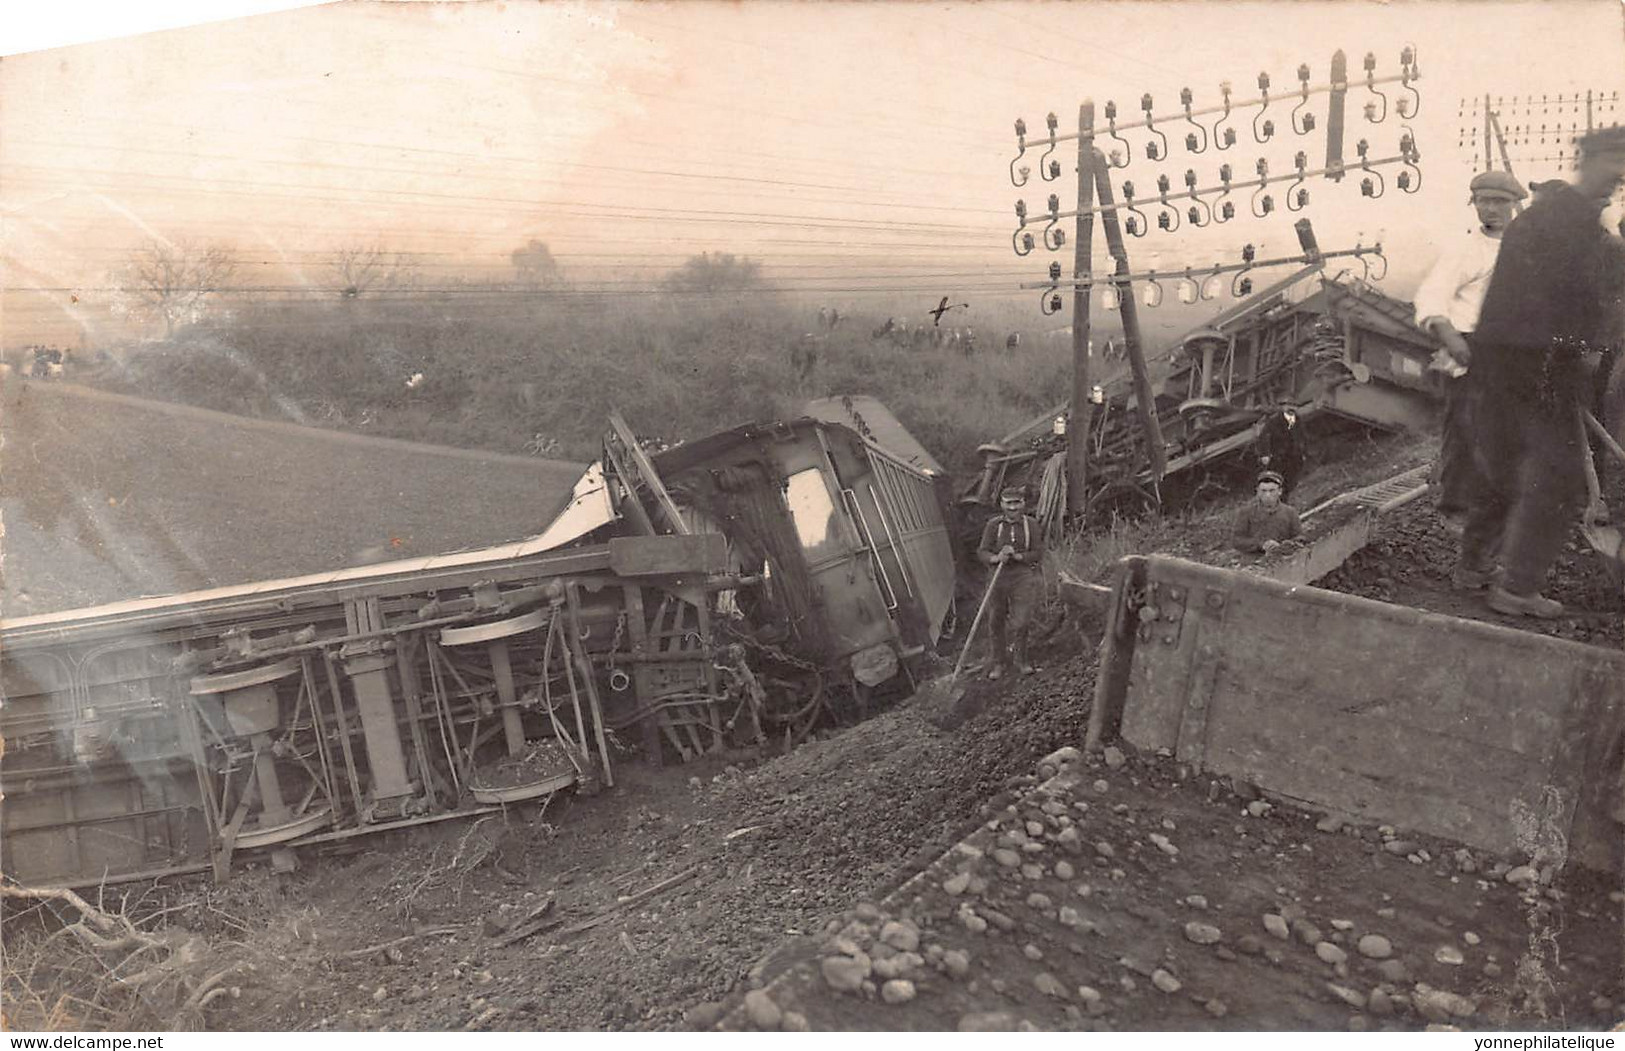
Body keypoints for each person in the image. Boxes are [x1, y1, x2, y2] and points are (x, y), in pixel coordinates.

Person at [1456, 125, 1625, 618]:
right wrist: (1579, 351)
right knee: (1560, 477)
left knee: (1509, 474)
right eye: (1612, 163)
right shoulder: (1558, 222)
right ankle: (1515, 588)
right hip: (1525, 368)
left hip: (1524, 367)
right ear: (1588, 161)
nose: (1617, 176)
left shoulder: (1574, 223)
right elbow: (1551, 305)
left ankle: (1475, 571)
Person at [1411, 170, 1526, 533]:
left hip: (1514, 349)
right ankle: (1455, 506)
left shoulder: (1527, 247)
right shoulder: (1465, 250)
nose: (1491, 209)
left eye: (1500, 202)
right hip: (1470, 347)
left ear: (1514, 205)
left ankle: (1502, 501)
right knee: (1465, 425)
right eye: (1483, 201)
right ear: (1473, 204)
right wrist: (1451, 338)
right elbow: (1432, 296)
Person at [976, 485, 1045, 679]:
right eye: (1009, 504)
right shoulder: (993, 525)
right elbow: (982, 552)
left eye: (1016, 503)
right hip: (997, 578)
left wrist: (1018, 556)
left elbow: (1038, 553)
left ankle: (1021, 661)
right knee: (996, 620)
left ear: (1023, 503)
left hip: (1022, 576)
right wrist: (996, 558)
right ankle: (999, 663)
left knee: (1021, 621)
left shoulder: (1031, 524)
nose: (1013, 508)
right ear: (1001, 504)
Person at [1233, 471, 1302, 554]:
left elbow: (1300, 537)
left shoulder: (1290, 512)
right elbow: (1237, 540)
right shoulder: (1246, 512)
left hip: (1283, 560)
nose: (1267, 495)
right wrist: (1261, 544)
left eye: (1272, 490)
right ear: (1257, 491)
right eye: (1263, 491)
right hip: (1253, 561)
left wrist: (1284, 545)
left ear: (1280, 491)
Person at [1254, 404, 1307, 500]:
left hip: (1294, 456)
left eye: (1294, 406)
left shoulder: (1297, 420)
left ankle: (1284, 499)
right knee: (1278, 481)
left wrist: (1303, 452)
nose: (1291, 409)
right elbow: (1264, 437)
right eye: (1288, 406)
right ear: (1283, 408)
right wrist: (1265, 454)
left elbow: (1302, 436)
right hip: (1278, 457)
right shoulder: (1274, 421)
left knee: (1291, 481)